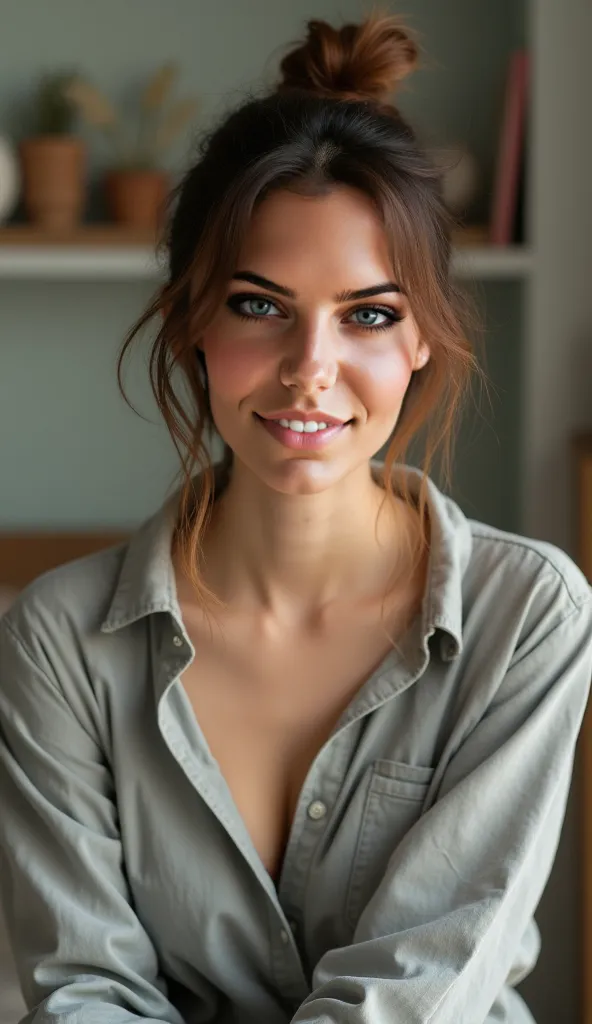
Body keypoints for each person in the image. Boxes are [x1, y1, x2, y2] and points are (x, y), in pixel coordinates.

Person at [1, 13, 591, 1024]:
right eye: (259, 305)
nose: (310, 368)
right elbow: (83, 992)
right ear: (193, 322)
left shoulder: (525, 613)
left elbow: (421, 989)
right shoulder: (59, 640)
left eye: (367, 313)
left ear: (420, 340)